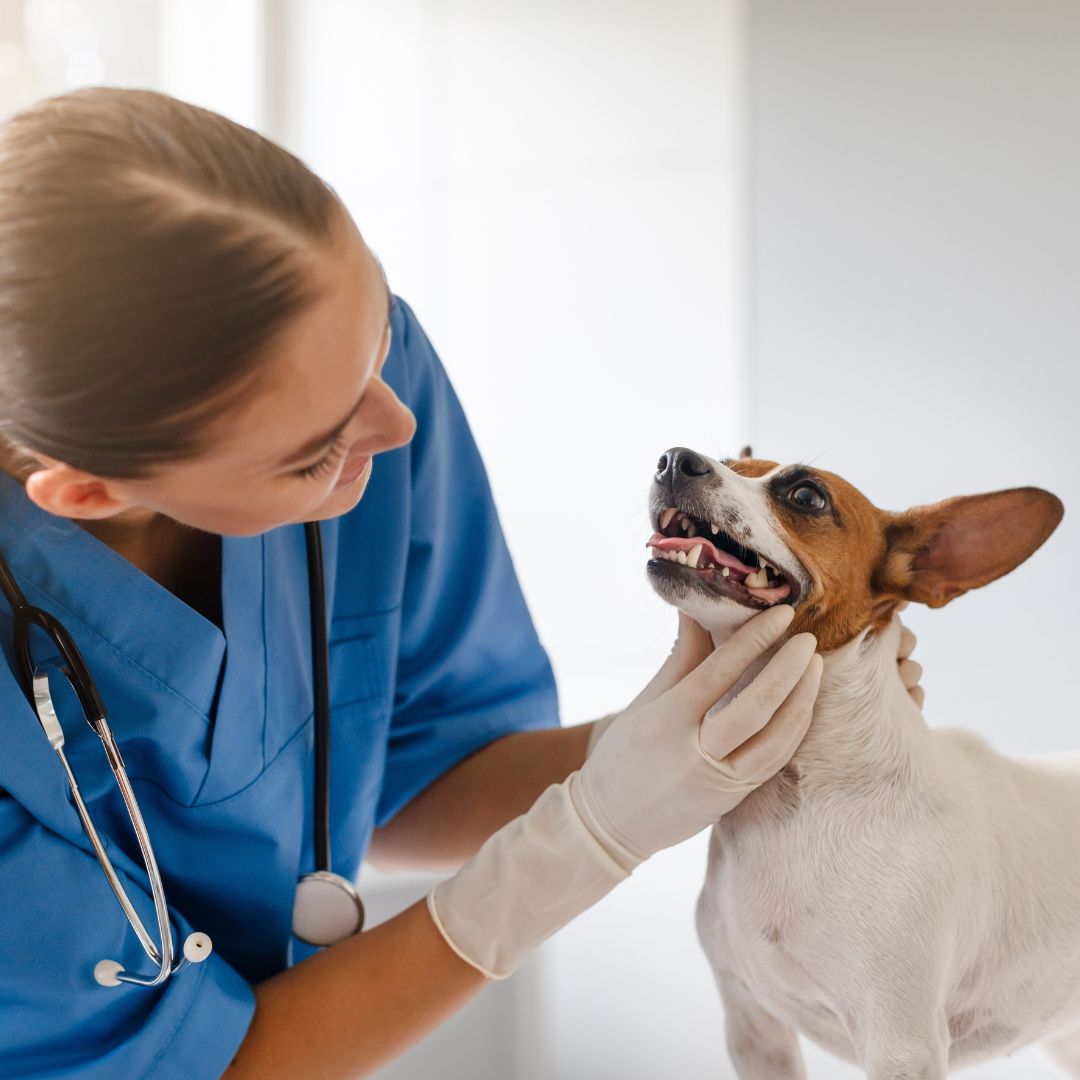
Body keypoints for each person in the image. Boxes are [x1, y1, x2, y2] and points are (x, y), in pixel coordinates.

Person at [0, 86, 924, 1079]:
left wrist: (670, 743)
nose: (395, 427)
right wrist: (588, 838)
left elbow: (419, 773)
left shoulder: (358, 385)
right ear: (89, 493)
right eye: (316, 453)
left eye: (377, 343)